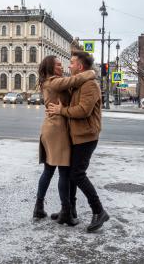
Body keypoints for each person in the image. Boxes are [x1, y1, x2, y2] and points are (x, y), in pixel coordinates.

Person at [47, 51, 109, 232]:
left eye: (72, 63)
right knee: (72, 175)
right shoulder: (79, 83)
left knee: (77, 175)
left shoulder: (90, 85)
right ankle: (70, 211)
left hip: (87, 136)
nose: (69, 66)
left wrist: (61, 111)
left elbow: (83, 111)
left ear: (80, 66)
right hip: (77, 136)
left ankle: (99, 210)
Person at [33, 55, 95, 226]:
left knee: (49, 170)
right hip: (57, 130)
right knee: (64, 172)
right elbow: (73, 81)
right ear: (51, 68)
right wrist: (90, 73)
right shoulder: (53, 81)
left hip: (53, 128)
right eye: (59, 65)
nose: (63, 67)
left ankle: (39, 208)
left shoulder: (51, 81)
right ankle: (66, 212)